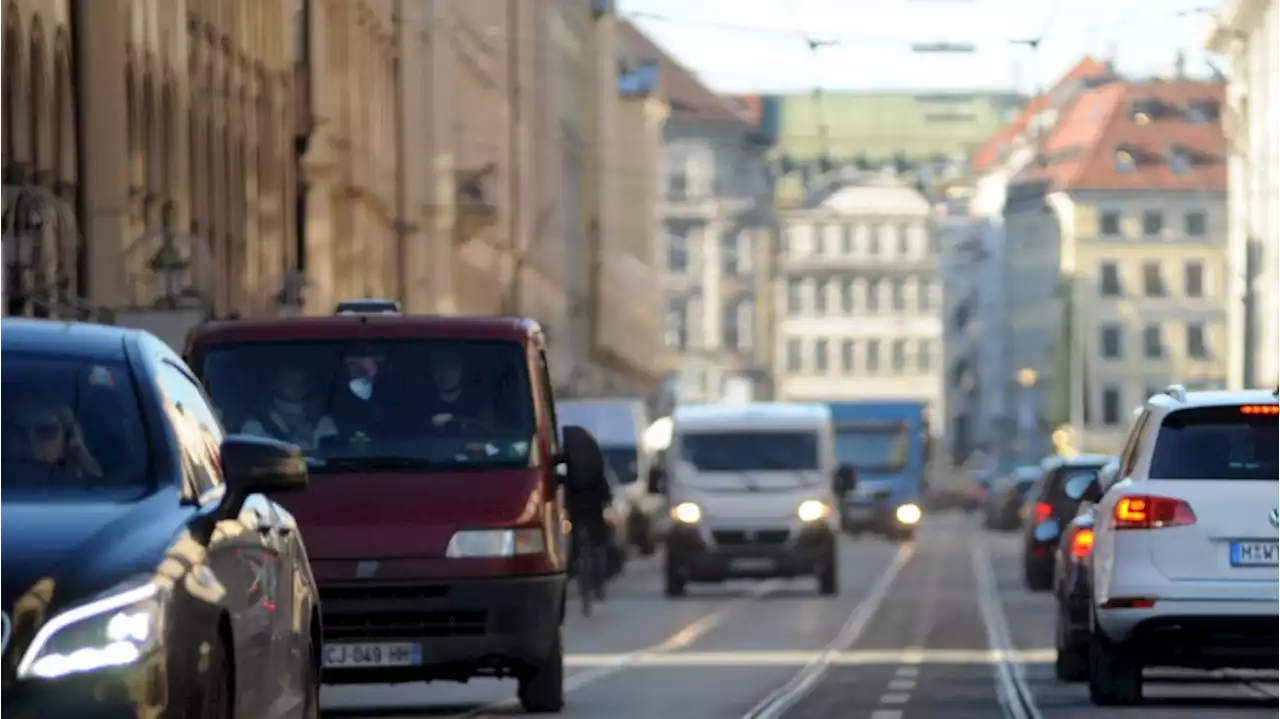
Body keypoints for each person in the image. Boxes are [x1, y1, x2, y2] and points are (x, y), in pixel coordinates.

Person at [241, 369, 338, 450]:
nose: (297, 387)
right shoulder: (257, 421)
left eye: (302, 382)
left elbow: (330, 454)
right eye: (291, 382)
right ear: (276, 385)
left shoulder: (322, 419)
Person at [3, 399, 102, 477]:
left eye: (45, 430)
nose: (31, 442)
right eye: (20, 431)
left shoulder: (100, 494)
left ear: (68, 437)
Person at [424, 353, 494, 430]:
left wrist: (455, 421)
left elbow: (488, 428)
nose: (445, 372)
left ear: (463, 371)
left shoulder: (478, 399)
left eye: (451, 367)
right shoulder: (422, 399)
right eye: (439, 367)